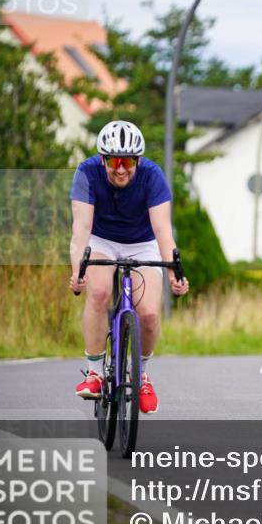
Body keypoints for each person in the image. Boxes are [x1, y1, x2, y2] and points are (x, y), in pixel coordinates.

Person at [69, 120, 189, 414]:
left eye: (128, 161)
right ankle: (95, 373)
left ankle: (142, 375)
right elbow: (80, 230)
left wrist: (175, 274)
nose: (120, 168)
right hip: (102, 240)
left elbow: (163, 231)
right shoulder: (86, 173)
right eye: (113, 161)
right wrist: (77, 272)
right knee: (98, 293)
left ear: (138, 159)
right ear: (103, 159)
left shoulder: (152, 176)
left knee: (148, 314)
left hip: (142, 242)